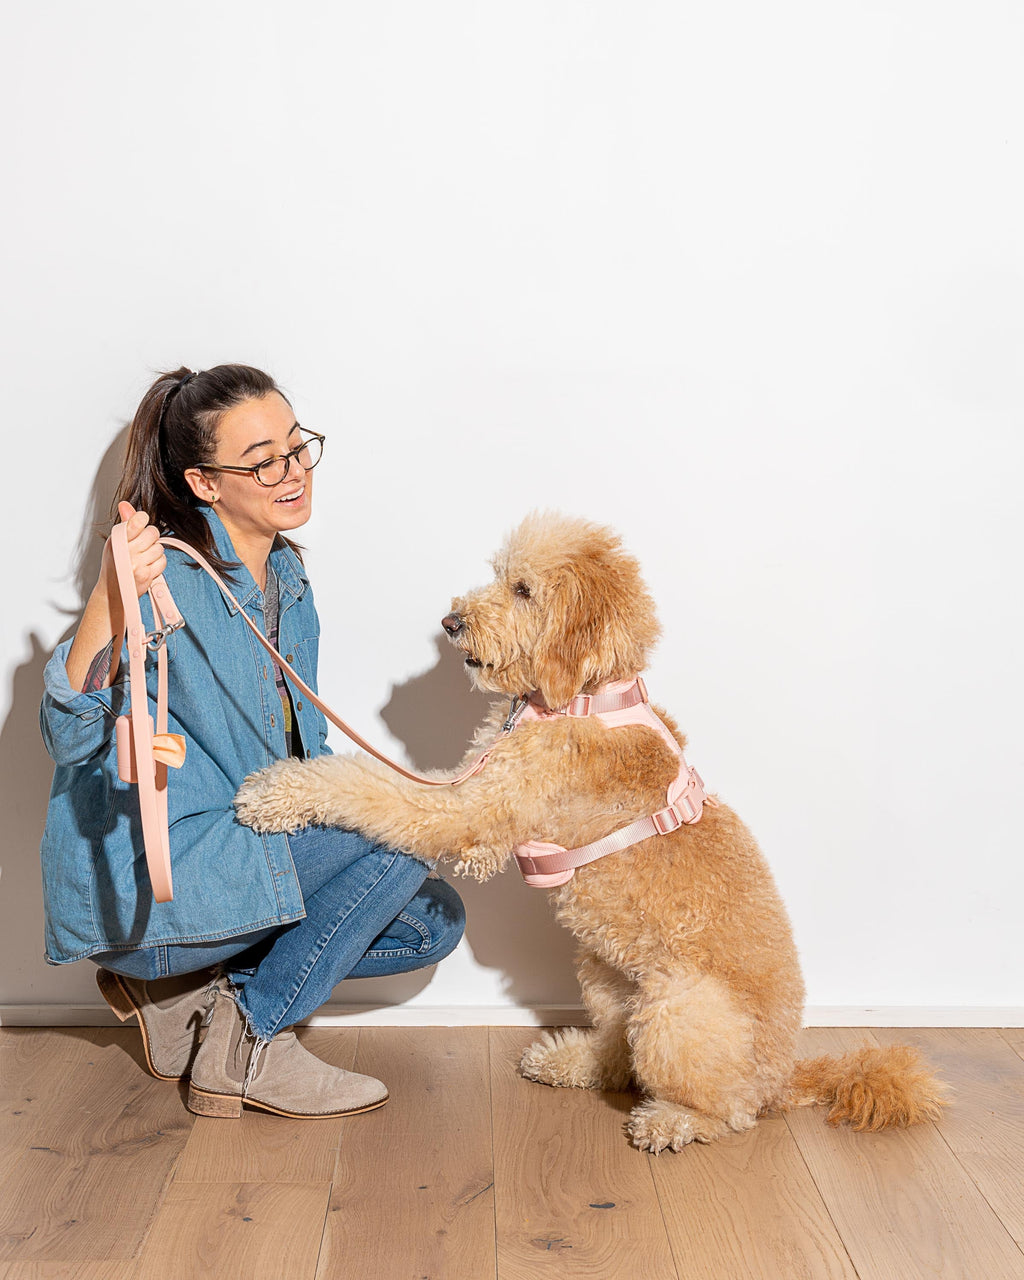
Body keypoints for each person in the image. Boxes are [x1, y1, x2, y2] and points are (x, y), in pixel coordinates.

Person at [39, 364, 465, 1119]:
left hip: (239, 860)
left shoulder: (290, 583)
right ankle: (249, 1041)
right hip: (157, 887)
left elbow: (300, 762)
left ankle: (185, 1000)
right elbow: (66, 734)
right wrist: (110, 601)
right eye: (263, 460)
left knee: (433, 919)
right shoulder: (162, 576)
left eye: (298, 447)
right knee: (403, 837)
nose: (292, 472)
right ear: (205, 484)